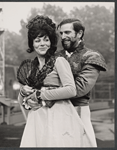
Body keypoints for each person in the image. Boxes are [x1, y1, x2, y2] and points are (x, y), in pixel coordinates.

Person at [18, 15, 90, 147]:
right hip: (37, 118)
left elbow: (71, 90)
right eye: (37, 40)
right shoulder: (31, 68)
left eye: (46, 40)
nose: (42, 44)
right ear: (32, 44)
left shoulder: (59, 61)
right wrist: (23, 92)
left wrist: (40, 94)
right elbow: (22, 102)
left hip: (59, 115)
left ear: (51, 42)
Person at [56, 18, 107, 147]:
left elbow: (79, 89)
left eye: (67, 32)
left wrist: (46, 93)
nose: (63, 36)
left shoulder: (92, 56)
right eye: (61, 33)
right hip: (55, 112)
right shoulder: (54, 56)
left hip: (78, 110)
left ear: (79, 33)